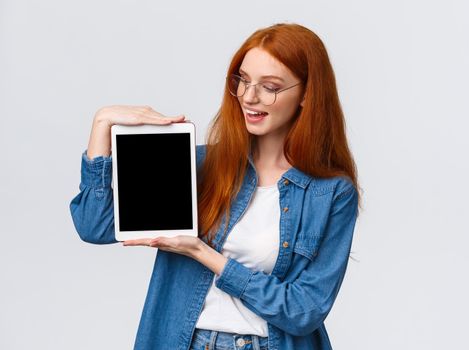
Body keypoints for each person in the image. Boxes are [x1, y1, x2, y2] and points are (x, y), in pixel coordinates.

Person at [70, 23, 361, 350]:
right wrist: (102, 123)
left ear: (307, 94)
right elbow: (96, 226)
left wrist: (201, 252)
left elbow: (304, 310)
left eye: (270, 86)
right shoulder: (200, 166)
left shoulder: (330, 192)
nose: (249, 97)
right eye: (243, 80)